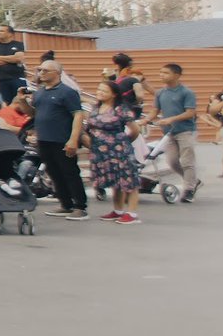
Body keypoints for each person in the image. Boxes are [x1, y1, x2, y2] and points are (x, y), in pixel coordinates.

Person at [30, 61, 90, 218]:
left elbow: (77, 114)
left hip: (61, 139)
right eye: (39, 70)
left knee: (69, 172)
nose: (41, 73)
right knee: (54, 172)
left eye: (45, 70)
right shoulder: (39, 92)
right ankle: (65, 203)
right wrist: (22, 101)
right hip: (44, 139)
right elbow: (32, 113)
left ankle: (80, 206)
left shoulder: (67, 92)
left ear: (56, 73)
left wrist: (73, 139)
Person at [86, 80, 142, 223]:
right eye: (99, 89)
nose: (100, 93)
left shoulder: (120, 109)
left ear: (114, 94)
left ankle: (132, 213)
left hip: (119, 150)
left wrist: (122, 142)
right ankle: (118, 210)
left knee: (129, 180)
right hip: (101, 151)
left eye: (104, 91)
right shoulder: (95, 107)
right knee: (115, 181)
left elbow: (135, 129)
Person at [149, 63, 200, 201]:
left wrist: (171, 119)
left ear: (176, 75)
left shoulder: (186, 92)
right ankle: (193, 180)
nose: (161, 75)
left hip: (186, 131)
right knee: (172, 162)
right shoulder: (160, 93)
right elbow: (155, 111)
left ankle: (189, 189)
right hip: (169, 133)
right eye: (160, 72)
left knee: (187, 161)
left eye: (165, 73)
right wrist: (145, 120)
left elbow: (190, 112)